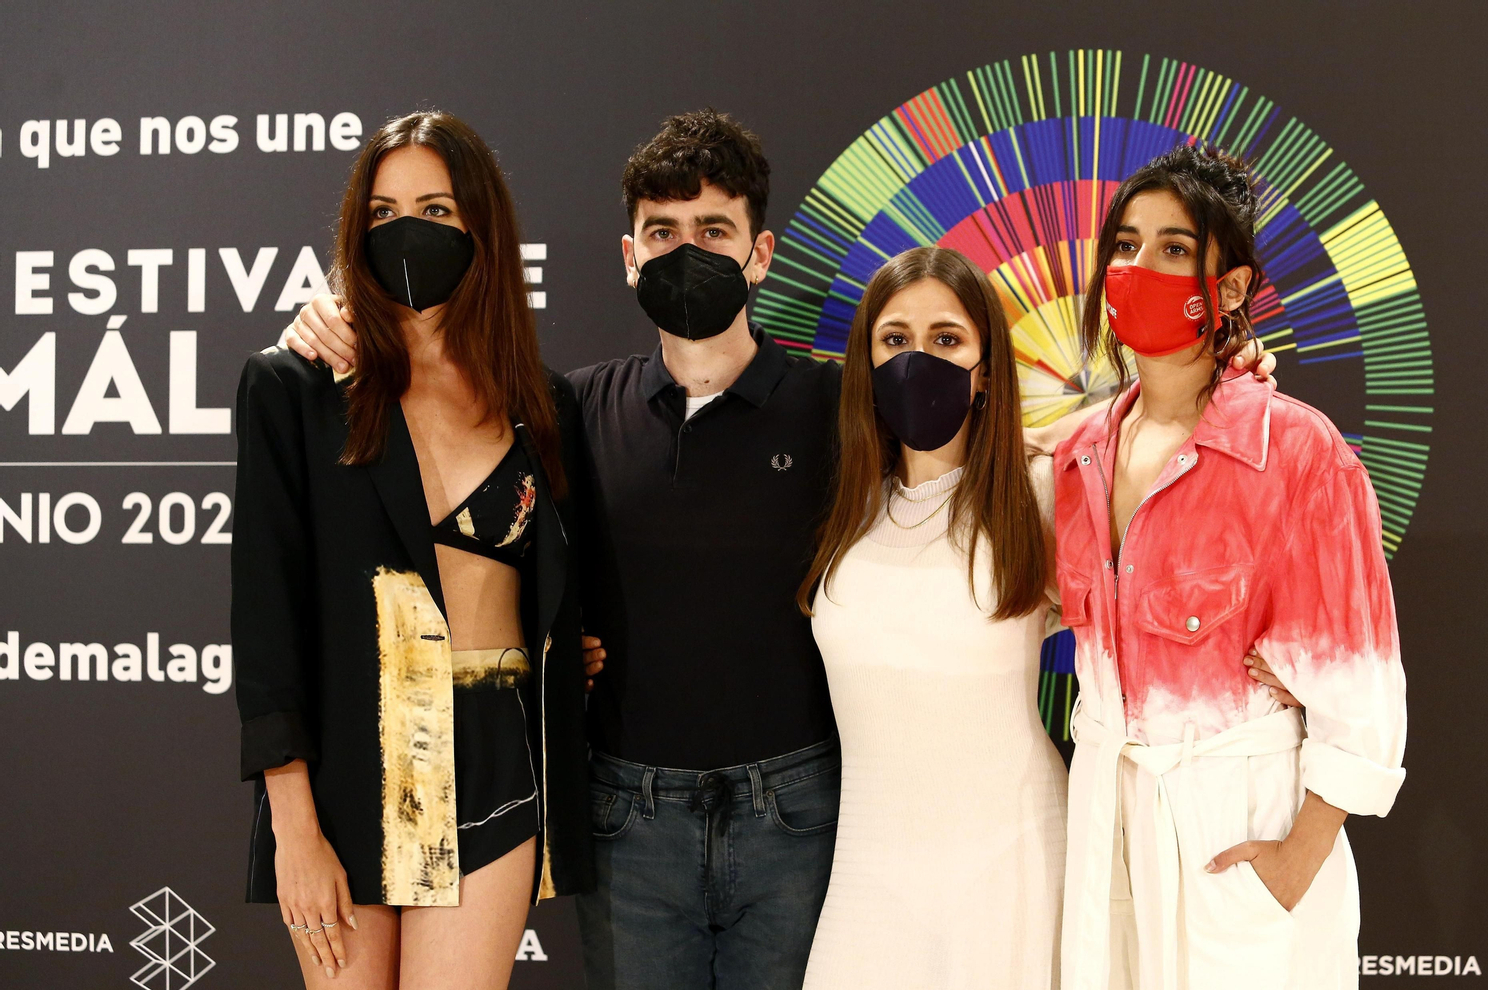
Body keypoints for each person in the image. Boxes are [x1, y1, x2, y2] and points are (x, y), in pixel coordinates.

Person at [276, 111, 1290, 990]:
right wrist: (336, 317)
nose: (687, 253)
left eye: (714, 231)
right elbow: (444, 429)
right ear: (627, 256)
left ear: (760, 254)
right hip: (628, 814)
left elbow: (1013, 453)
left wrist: (1212, 376)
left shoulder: (840, 409)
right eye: (662, 233)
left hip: (798, 814)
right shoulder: (567, 408)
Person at [231, 111, 592, 990]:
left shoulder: (540, 405)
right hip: (351, 768)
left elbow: (566, 587)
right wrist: (294, 831)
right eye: (384, 213)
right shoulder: (296, 386)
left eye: (436, 209)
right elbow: (267, 622)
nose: (407, 232)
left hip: (500, 759)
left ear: (481, 226)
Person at [1050, 145, 1407, 988]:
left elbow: (1361, 687)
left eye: (1175, 249)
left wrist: (1295, 860)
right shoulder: (1081, 454)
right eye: (1126, 246)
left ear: (1233, 285)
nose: (1140, 267)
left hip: (1238, 824)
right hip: (1108, 820)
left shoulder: (1295, 450)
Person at [797, 247, 1068, 988]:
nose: (918, 362)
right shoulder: (847, 504)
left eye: (947, 340)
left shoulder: (1036, 493)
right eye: (895, 340)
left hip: (1010, 865)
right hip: (868, 871)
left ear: (986, 370)